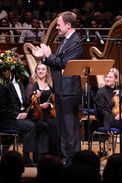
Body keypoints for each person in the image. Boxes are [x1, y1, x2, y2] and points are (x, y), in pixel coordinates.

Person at [32, 11, 84, 166]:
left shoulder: (76, 41)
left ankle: (72, 161)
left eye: (59, 25)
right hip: (61, 90)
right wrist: (44, 57)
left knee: (70, 130)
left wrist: (48, 54)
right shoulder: (65, 40)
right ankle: (64, 159)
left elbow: (65, 63)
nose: (57, 28)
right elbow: (57, 61)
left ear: (68, 25)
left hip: (70, 91)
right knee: (62, 129)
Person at [0, 70, 47, 166]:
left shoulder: (20, 84)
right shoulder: (4, 86)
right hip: (8, 120)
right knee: (30, 126)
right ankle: (26, 158)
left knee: (43, 125)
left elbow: (24, 102)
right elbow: (1, 108)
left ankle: (39, 158)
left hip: (20, 119)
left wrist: (34, 95)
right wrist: (17, 115)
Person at [29, 62, 58, 156]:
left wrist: (49, 105)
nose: (41, 71)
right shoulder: (33, 85)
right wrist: (40, 105)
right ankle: (45, 155)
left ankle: (54, 154)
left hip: (49, 113)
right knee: (51, 125)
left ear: (47, 72)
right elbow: (29, 104)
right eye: (39, 69)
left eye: (43, 69)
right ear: (36, 71)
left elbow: (54, 103)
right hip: (38, 115)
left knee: (57, 124)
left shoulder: (50, 85)